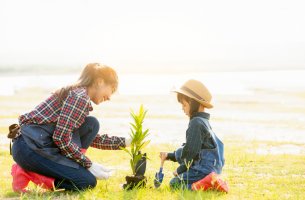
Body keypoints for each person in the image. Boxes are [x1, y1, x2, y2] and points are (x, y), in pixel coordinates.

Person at [11, 63, 131, 192]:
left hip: (34, 144)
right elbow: (61, 137)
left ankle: (70, 165)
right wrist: (88, 164)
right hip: (30, 148)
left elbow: (88, 137)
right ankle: (28, 172)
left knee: (91, 124)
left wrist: (125, 142)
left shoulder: (77, 94)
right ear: (100, 82)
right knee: (86, 182)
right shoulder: (79, 98)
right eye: (111, 90)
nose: (109, 97)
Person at [159, 79, 228, 192]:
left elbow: (190, 152)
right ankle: (210, 181)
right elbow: (192, 148)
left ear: (193, 103)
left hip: (203, 169)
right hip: (212, 169)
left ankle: (207, 185)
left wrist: (180, 169)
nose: (182, 108)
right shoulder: (204, 122)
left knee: (174, 183)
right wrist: (170, 155)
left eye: (184, 105)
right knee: (181, 179)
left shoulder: (196, 123)